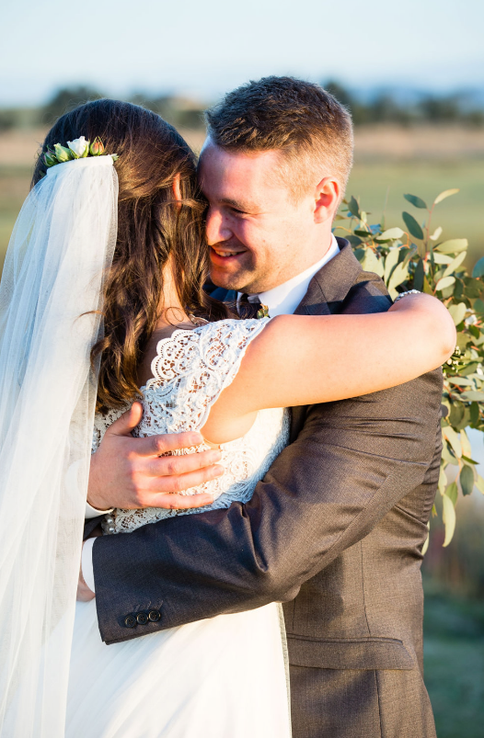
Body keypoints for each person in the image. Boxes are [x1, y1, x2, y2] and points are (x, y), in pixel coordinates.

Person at [0, 96, 453, 737]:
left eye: (238, 210)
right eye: (201, 206)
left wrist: (75, 561)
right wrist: (85, 485)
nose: (211, 231)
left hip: (330, 707)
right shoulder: (166, 329)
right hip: (168, 675)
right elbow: (431, 334)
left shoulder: (374, 345)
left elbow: (271, 551)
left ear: (322, 201)